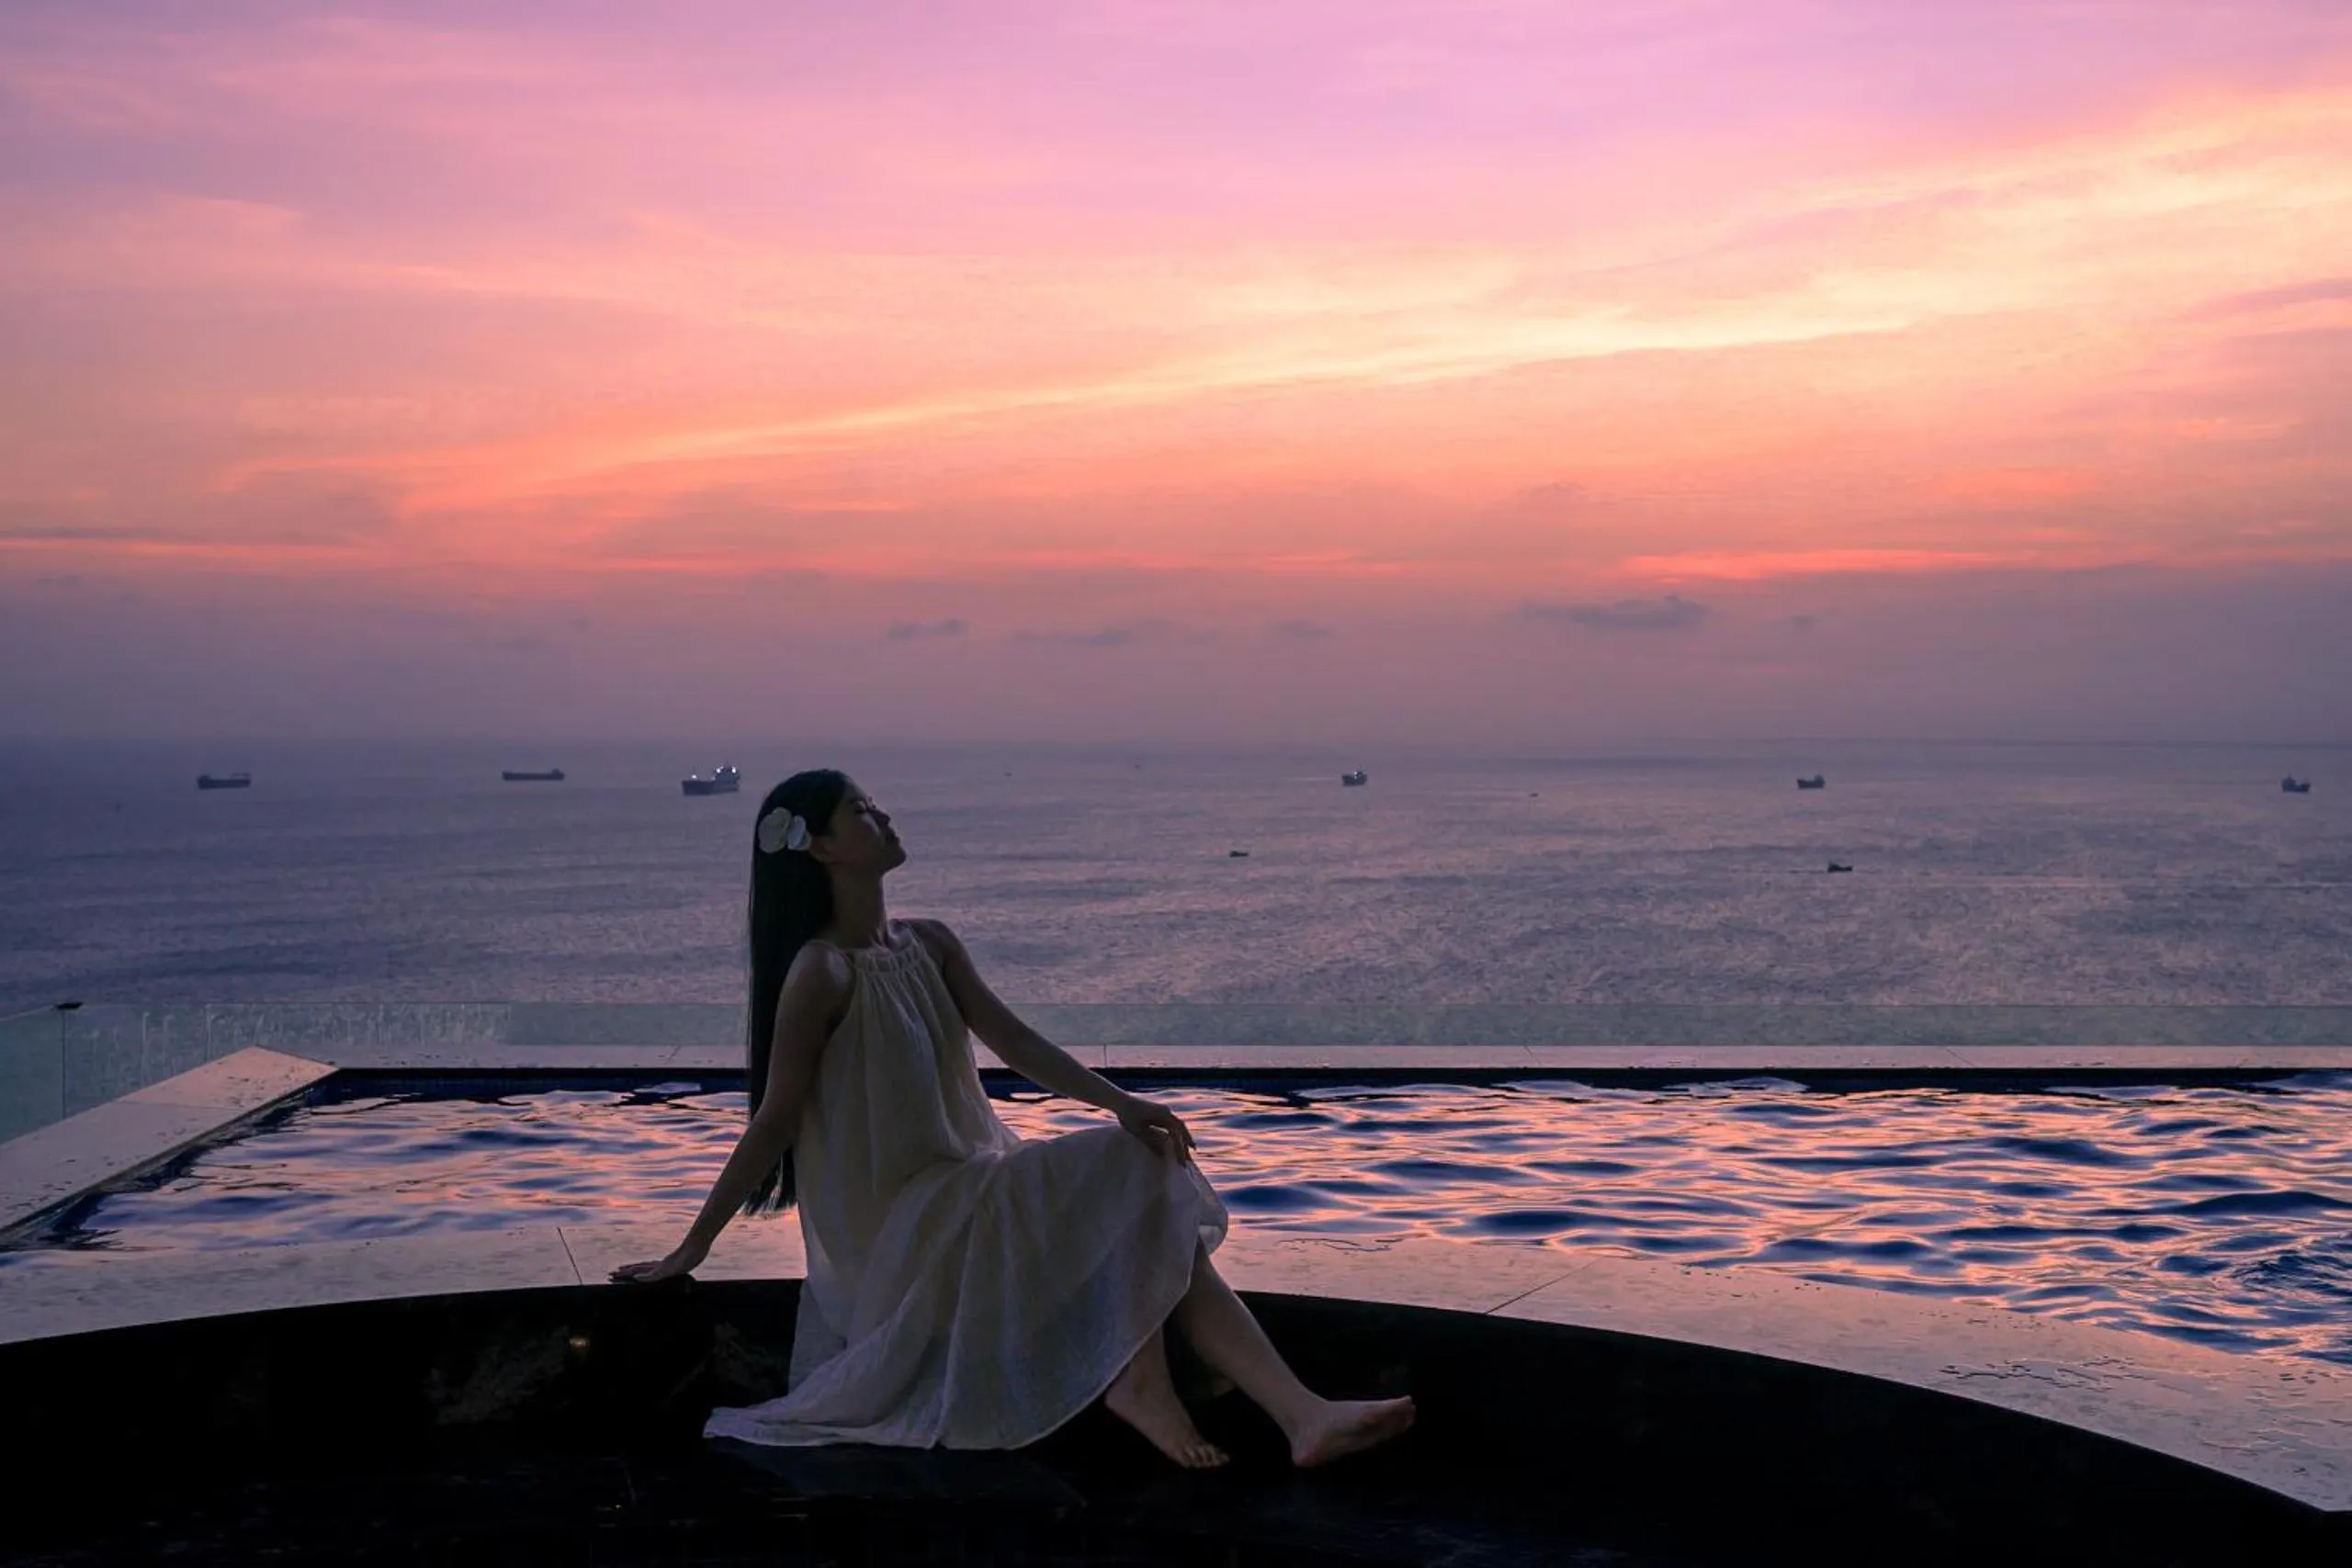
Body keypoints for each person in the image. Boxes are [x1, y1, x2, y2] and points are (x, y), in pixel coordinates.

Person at [614, 769, 1415, 1471]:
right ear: (822, 848)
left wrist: (1123, 1102)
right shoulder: (818, 973)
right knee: (1123, 1172)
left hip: (966, 1187)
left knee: (1137, 1163)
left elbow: (1018, 1043)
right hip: (900, 1237)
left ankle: (1279, 1410)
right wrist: (694, 1244)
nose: (884, 816)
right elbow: (773, 1120)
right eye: (862, 810)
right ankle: (1180, 1391)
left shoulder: (928, 944)